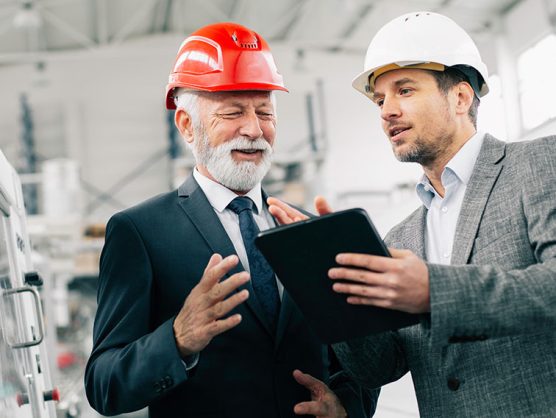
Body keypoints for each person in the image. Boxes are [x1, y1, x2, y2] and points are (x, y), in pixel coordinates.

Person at [268, 11, 556, 417]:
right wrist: (328, 283)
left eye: (404, 90)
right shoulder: (400, 240)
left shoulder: (540, 163)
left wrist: (434, 292)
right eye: (380, 99)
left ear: (460, 97)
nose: (386, 111)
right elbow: (380, 367)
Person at [84, 22, 378, 418]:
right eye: (233, 112)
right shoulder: (140, 232)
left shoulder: (308, 229)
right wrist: (177, 339)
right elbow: (104, 385)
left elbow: (358, 357)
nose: (254, 130)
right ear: (187, 125)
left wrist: (348, 405)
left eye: (265, 113)